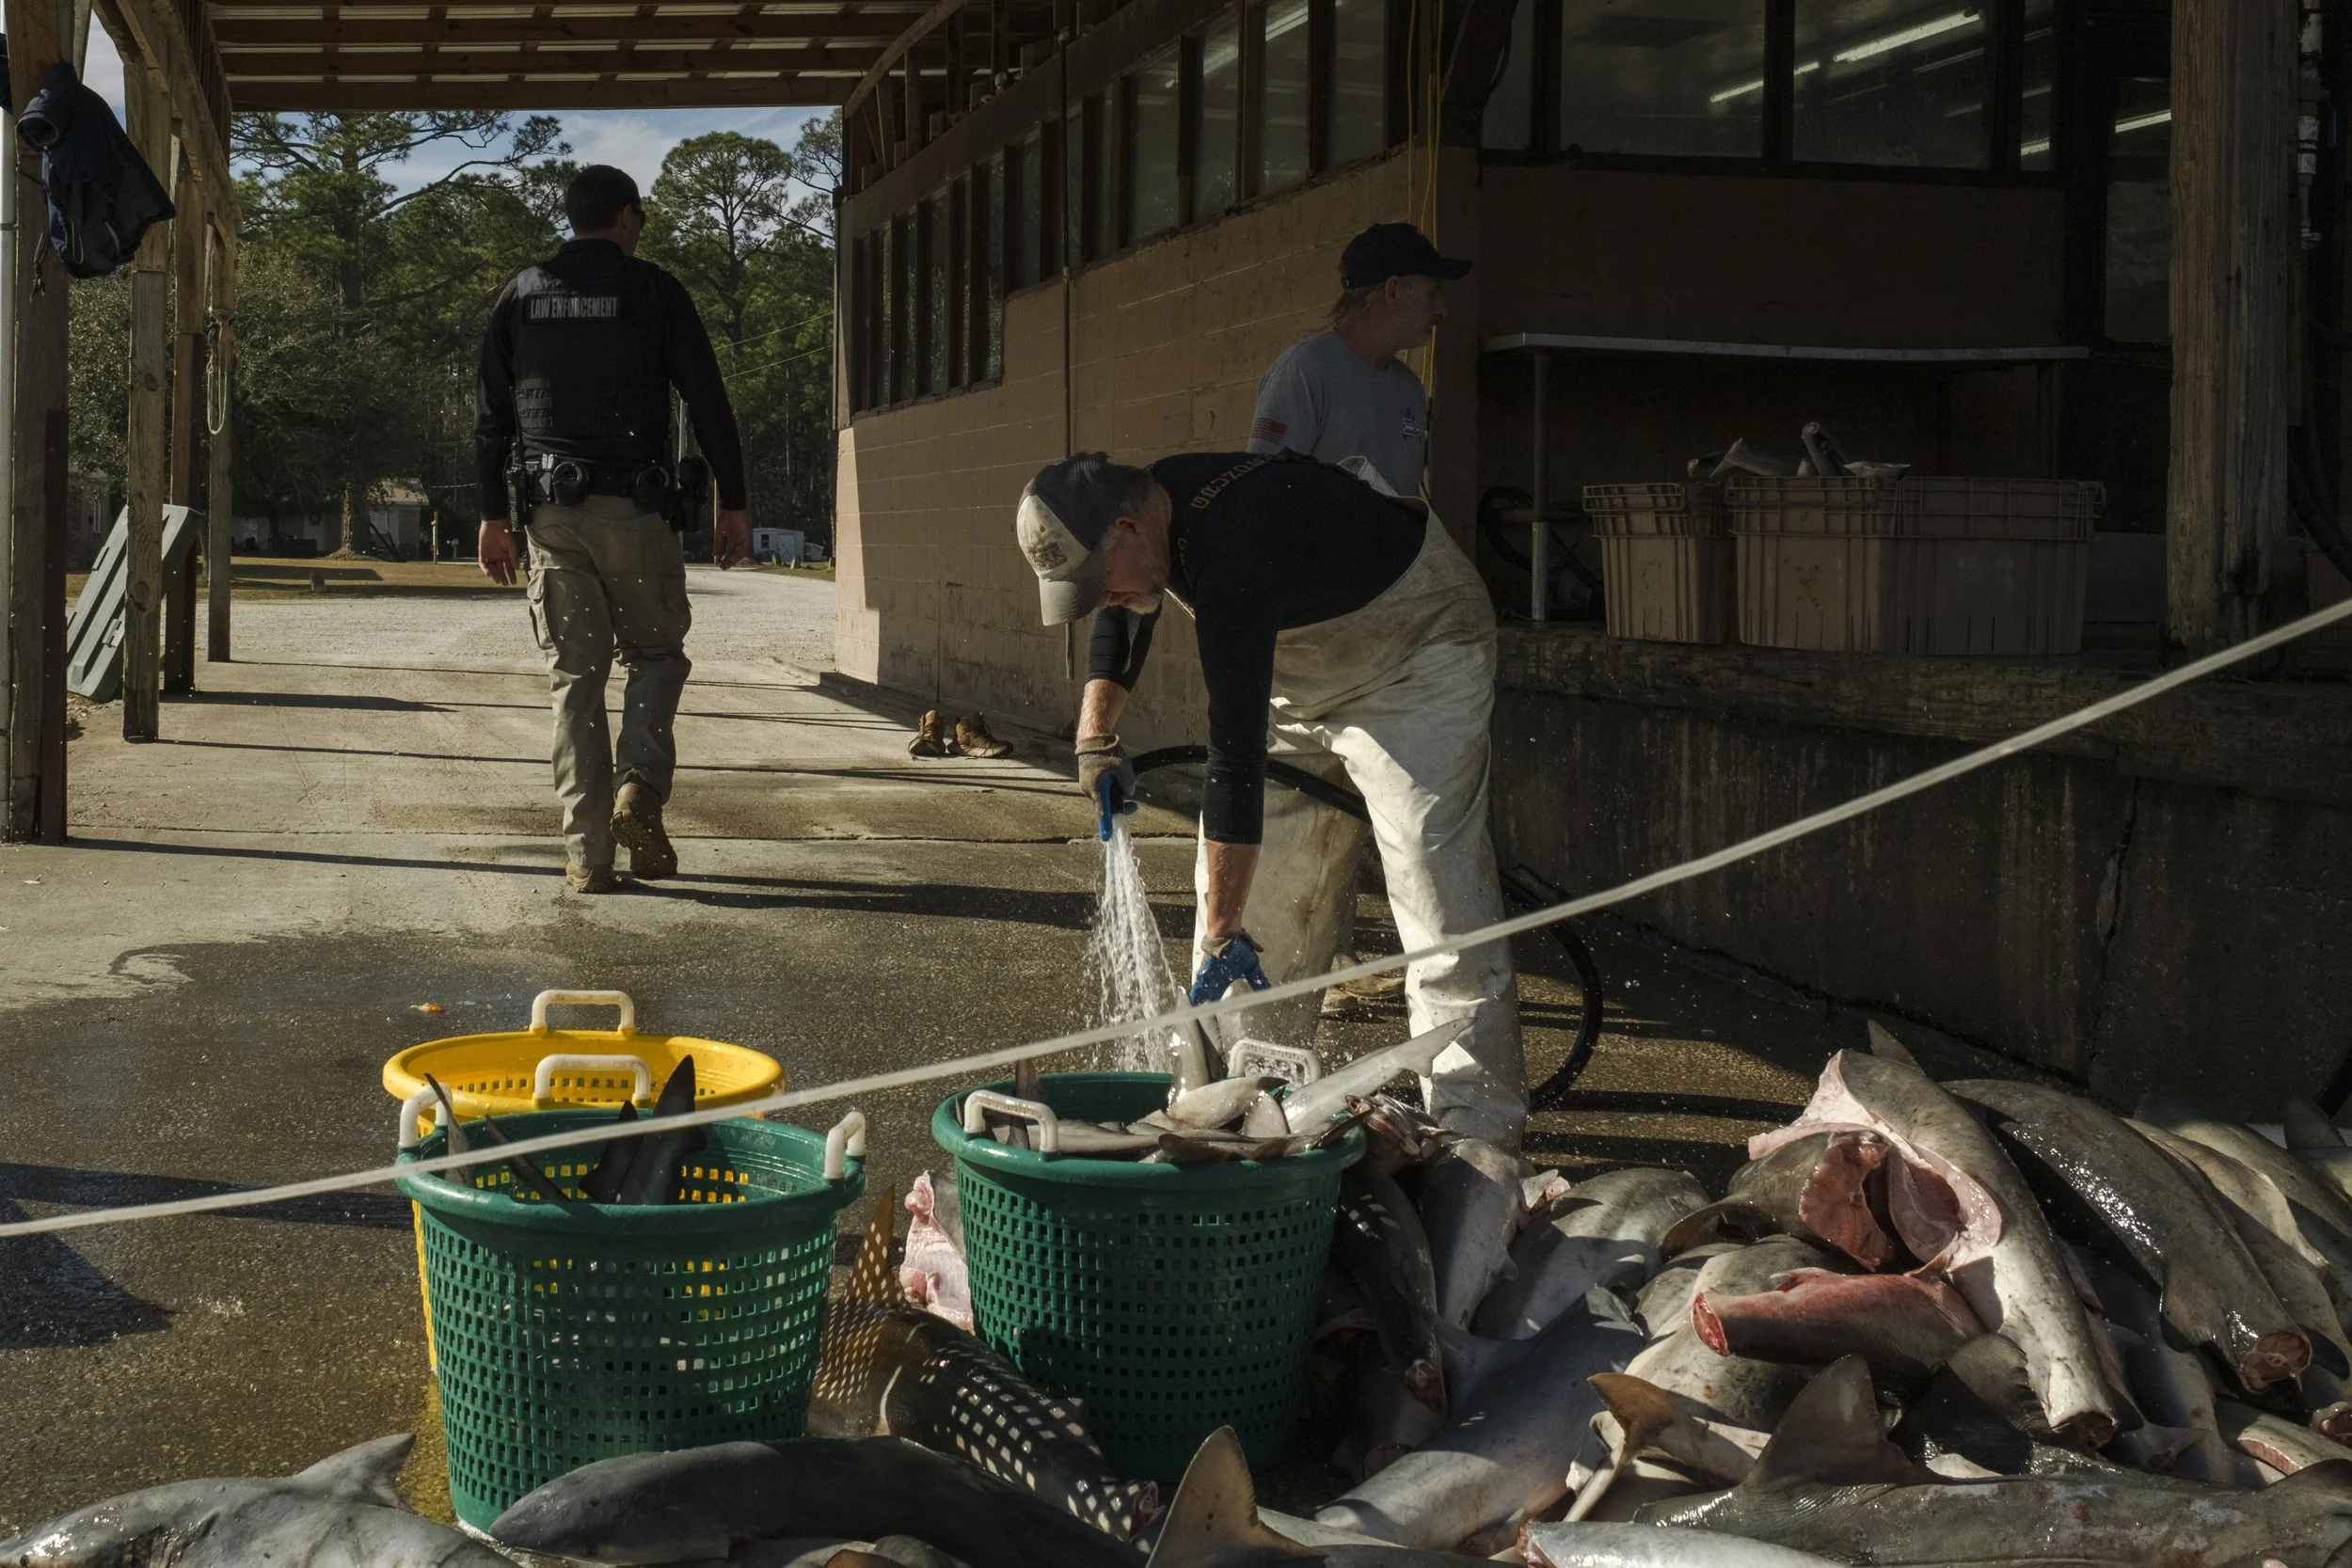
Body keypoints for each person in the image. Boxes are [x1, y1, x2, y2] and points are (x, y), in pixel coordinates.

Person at [1015, 451, 1525, 1148]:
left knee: (1436, 895)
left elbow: (1235, 759)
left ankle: (1480, 1143)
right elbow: (1126, 613)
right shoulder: (1153, 509)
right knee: (1262, 909)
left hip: (1416, 660)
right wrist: (1095, 733)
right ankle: (1249, 1111)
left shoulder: (1233, 551)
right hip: (1302, 673)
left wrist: (1224, 928)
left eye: (1095, 582)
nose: (1098, 597)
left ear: (1129, 529)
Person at [475, 164, 752, 895]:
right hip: (635, 510)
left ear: (573, 218)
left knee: (575, 680)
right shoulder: (655, 291)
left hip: (551, 517)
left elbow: (491, 420)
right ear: (625, 216)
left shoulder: (522, 295)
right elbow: (709, 399)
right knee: (656, 656)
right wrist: (735, 500)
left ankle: (587, 856)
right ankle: (639, 793)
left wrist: (490, 516)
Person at [1246, 222, 1469, 496]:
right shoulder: (1303, 371)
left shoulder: (1410, 389)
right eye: (1432, 294)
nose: (1442, 310)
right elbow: (1262, 491)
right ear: (1393, 291)